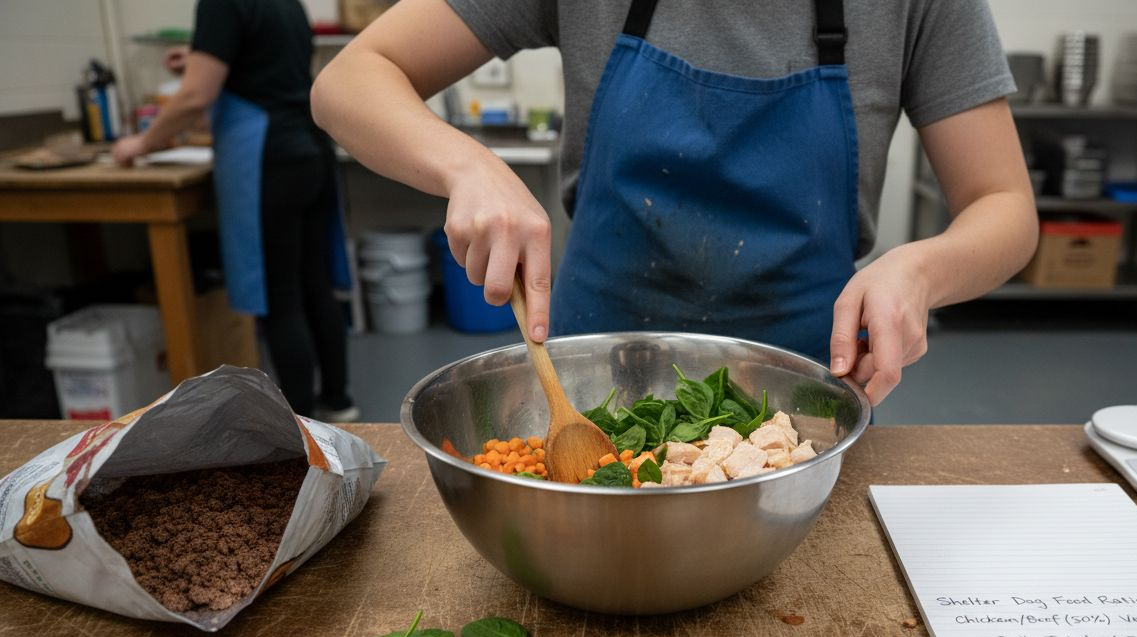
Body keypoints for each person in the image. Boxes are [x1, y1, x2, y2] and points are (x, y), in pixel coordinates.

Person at [312, 0, 1038, 406]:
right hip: (589, 391)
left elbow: (1003, 204)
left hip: (806, 401)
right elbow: (351, 78)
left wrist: (918, 272)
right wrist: (467, 165)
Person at [114, 0, 358, 421]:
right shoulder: (288, 3)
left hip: (270, 157)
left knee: (282, 298)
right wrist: (198, 57)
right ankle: (339, 402)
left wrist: (142, 143)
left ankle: (300, 424)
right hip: (311, 148)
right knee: (315, 284)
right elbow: (266, 63)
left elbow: (196, 95)